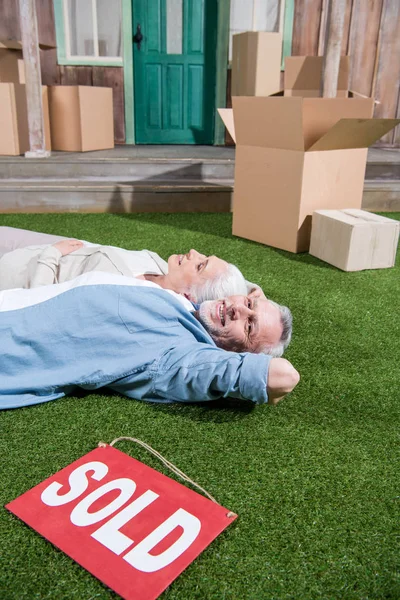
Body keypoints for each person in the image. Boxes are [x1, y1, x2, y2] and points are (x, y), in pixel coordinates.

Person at [0, 271, 298, 410]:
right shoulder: (184, 308)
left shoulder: (180, 356)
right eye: (248, 302)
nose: (237, 309)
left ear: (238, 353)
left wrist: (259, 377)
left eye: (248, 326)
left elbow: (282, 376)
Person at [0, 226, 249, 302]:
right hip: (27, 251)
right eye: (204, 257)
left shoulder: (125, 296)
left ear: (189, 296)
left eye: (200, 266)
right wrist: (251, 290)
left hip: (12, 277)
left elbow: (39, 304)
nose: (194, 252)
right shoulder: (160, 266)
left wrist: (51, 254)